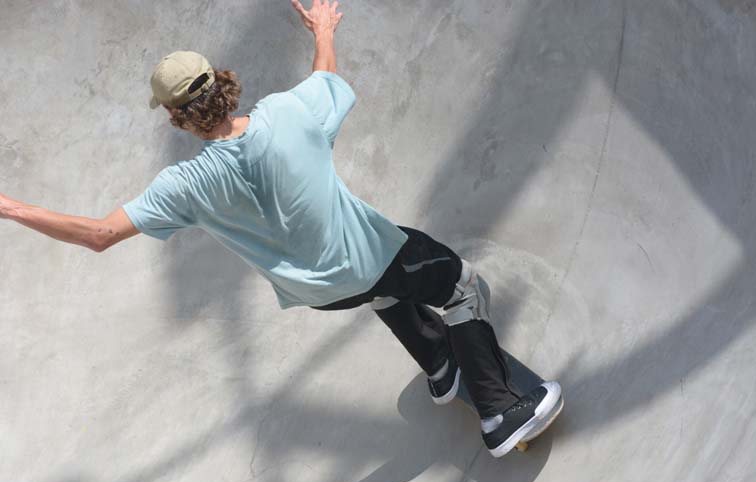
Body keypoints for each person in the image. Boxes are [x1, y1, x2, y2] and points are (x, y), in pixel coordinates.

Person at [0, 0, 561, 458]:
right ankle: (498, 414)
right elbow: (325, 77)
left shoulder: (182, 185)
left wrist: (12, 209)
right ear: (222, 83)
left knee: (383, 278)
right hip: (367, 260)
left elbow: (99, 234)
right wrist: (323, 30)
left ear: (176, 117)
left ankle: (440, 365)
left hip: (321, 294)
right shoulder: (288, 112)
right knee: (458, 284)